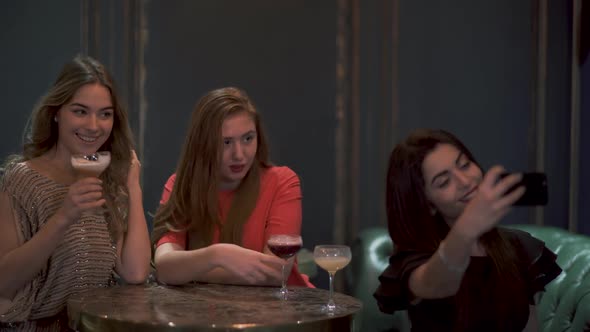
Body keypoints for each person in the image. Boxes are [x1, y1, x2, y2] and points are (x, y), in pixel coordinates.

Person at [0, 55, 151, 330]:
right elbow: (3, 282)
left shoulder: (107, 183)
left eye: (105, 114)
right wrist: (63, 217)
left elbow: (135, 272)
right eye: (80, 111)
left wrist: (133, 187)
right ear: (57, 112)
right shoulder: (22, 180)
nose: (94, 126)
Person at [374, 129, 561, 332]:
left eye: (465, 165)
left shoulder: (518, 246)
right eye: (444, 182)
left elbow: (530, 327)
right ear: (428, 205)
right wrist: (468, 227)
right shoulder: (415, 259)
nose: (465, 181)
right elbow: (439, 283)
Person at [151, 87, 313, 288]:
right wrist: (218, 255)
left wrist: (191, 270)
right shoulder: (180, 185)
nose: (239, 154)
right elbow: (165, 268)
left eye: (248, 138)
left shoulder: (282, 182)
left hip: (281, 312)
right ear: (204, 144)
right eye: (226, 142)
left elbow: (275, 272)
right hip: (213, 315)